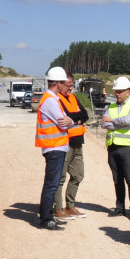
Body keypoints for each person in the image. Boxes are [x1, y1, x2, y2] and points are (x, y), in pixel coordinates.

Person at [35, 66, 74, 230]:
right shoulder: (50, 101)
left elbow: (66, 121)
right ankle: (46, 219)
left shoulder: (52, 99)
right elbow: (63, 123)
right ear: (58, 83)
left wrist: (69, 121)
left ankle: (49, 216)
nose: (67, 87)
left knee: (53, 183)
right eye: (64, 83)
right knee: (51, 185)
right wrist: (70, 122)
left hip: (56, 147)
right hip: (54, 148)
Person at [100, 76, 130, 219]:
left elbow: (129, 120)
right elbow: (103, 124)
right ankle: (120, 207)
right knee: (117, 179)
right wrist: (119, 123)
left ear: (128, 92)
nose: (117, 94)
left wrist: (111, 121)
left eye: (120, 91)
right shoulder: (110, 107)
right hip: (112, 147)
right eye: (116, 91)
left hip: (128, 148)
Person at [53, 75, 89, 220]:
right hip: (64, 142)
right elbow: (64, 117)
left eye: (72, 85)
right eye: (67, 85)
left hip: (78, 142)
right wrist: (76, 119)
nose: (70, 88)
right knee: (60, 177)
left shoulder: (73, 98)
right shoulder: (56, 99)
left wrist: (74, 120)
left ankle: (70, 205)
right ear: (60, 84)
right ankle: (58, 208)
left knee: (78, 175)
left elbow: (85, 115)